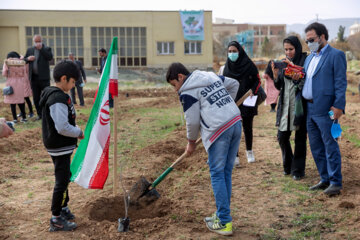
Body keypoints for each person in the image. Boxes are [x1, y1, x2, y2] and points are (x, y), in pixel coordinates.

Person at [166, 62, 241, 236]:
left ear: (180, 77)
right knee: (225, 172)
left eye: (174, 85)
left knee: (217, 173)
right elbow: (234, 84)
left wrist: (191, 142)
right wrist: (226, 107)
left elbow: (192, 121)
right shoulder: (209, 76)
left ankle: (224, 222)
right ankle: (222, 215)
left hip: (218, 130)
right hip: (235, 123)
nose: (175, 90)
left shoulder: (187, 91)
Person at [301, 22, 347, 195]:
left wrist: (339, 106)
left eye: (312, 39)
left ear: (322, 37)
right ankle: (325, 178)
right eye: (307, 41)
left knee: (330, 145)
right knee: (316, 146)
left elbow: (341, 83)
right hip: (310, 108)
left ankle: (335, 182)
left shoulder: (336, 55)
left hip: (327, 108)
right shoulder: (309, 58)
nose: (309, 43)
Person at [39, 60, 84, 231]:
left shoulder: (57, 94)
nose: (73, 86)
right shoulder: (57, 98)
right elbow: (62, 127)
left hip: (60, 146)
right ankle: (56, 218)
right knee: (62, 181)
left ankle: (63, 208)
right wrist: (78, 132)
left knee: (65, 176)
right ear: (64, 79)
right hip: (59, 145)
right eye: (73, 82)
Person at [272, 36, 308, 181]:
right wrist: (275, 75)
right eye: (286, 49)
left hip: (299, 105)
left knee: (299, 138)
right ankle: (289, 165)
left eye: (291, 49)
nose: (288, 52)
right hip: (285, 105)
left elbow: (304, 81)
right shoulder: (283, 63)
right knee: (282, 137)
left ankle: (298, 170)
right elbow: (279, 85)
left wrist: (292, 67)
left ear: (297, 48)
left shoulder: (306, 61)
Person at [219, 41, 261, 165]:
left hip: (247, 101)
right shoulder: (225, 68)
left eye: (234, 51)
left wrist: (253, 91)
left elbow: (257, 81)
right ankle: (235, 155)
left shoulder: (249, 65)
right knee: (234, 130)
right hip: (232, 104)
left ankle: (249, 151)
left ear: (240, 52)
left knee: (248, 128)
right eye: (230, 51)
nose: (232, 54)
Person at [24, 34, 53, 120]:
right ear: (33, 42)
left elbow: (49, 57)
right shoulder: (30, 50)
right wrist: (28, 59)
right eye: (36, 42)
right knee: (36, 98)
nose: (37, 43)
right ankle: (39, 114)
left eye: (39, 41)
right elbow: (24, 60)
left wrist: (41, 49)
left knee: (46, 96)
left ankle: (47, 114)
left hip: (44, 78)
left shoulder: (47, 49)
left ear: (42, 41)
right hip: (34, 78)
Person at [2, 52, 29, 123]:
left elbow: (4, 73)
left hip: (11, 82)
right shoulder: (21, 62)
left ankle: (15, 119)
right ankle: (24, 118)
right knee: (21, 100)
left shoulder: (7, 62)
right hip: (20, 82)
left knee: (12, 102)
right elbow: (25, 72)